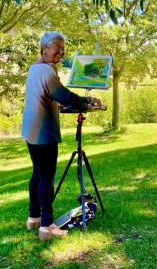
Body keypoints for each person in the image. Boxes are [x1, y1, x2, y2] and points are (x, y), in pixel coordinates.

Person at [21, 31, 101, 241]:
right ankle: (47, 227)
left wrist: (75, 102)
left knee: (37, 174)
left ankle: (34, 218)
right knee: (47, 177)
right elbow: (63, 95)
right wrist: (88, 103)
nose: (61, 52)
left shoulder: (35, 69)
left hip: (30, 130)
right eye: (58, 48)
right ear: (44, 48)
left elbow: (48, 96)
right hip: (43, 132)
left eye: (63, 48)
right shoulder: (47, 72)